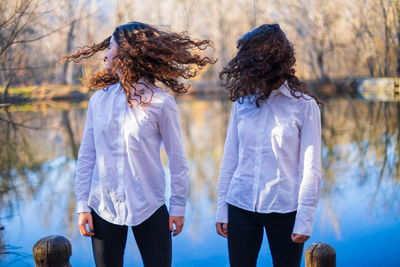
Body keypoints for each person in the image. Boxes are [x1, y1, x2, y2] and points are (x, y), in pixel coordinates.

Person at [61, 22, 215, 267]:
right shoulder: (98, 101)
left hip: (150, 206)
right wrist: (82, 205)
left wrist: (177, 206)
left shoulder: (161, 102)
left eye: (110, 48)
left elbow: (177, 160)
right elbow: (87, 156)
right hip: (103, 207)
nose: (106, 55)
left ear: (126, 53)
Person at [215, 24, 322, 267]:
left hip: (285, 211)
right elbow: (230, 159)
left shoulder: (304, 106)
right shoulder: (242, 103)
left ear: (269, 62)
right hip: (240, 206)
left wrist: (305, 218)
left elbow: (311, 167)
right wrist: (222, 207)